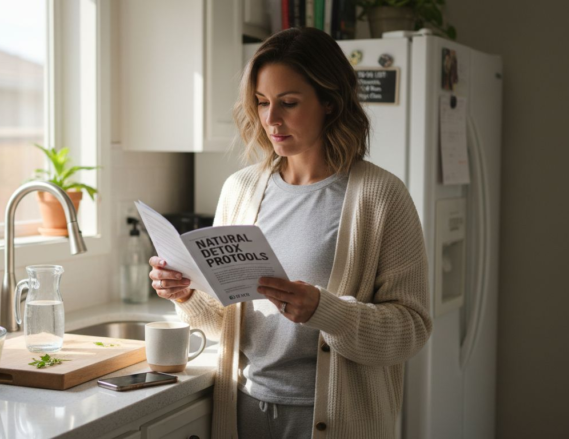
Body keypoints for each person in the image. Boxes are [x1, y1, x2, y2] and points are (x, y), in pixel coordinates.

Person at [148, 27, 432, 439]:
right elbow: (225, 322)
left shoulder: (380, 196)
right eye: (262, 103)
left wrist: (325, 310)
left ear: (330, 103)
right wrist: (187, 295)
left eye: (289, 103)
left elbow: (411, 330)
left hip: (337, 418)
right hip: (245, 407)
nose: (270, 119)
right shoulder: (240, 190)